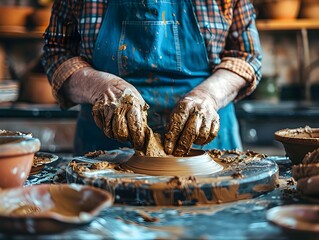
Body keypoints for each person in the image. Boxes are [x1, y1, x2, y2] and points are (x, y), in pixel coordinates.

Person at [42, 0, 262, 156]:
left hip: (205, 144)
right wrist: (99, 87)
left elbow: (247, 55)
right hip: (107, 148)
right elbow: (57, 52)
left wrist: (208, 96)